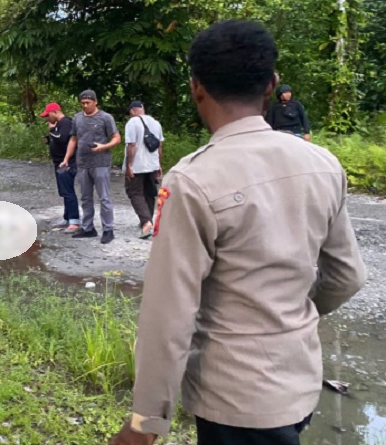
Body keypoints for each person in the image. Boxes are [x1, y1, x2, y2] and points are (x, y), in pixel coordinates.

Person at [109, 20, 368, 445]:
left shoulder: (194, 180)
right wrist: (288, 317)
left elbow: (168, 315)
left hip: (234, 399)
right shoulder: (322, 164)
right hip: (299, 384)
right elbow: (347, 277)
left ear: (197, 87)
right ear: (272, 84)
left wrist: (146, 422)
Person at [60, 90, 121, 244]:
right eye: (83, 103)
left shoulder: (105, 118)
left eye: (88, 103)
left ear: (95, 102)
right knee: (86, 197)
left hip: (101, 162)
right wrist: (66, 158)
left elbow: (116, 137)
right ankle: (88, 228)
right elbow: (73, 139)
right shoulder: (77, 118)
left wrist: (104, 146)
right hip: (82, 162)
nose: (85, 105)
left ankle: (108, 229)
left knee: (104, 197)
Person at [123, 101, 164, 239]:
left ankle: (146, 223)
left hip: (137, 165)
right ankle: (148, 221)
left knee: (134, 192)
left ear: (133, 111)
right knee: (149, 192)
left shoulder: (132, 122)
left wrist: (129, 165)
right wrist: (159, 165)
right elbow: (159, 146)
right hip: (152, 164)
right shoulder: (156, 123)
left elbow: (132, 145)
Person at [41, 102, 80, 234]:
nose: (47, 118)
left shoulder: (66, 123)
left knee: (68, 191)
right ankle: (67, 217)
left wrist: (51, 130)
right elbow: (58, 139)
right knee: (63, 191)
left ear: (55, 112)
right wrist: (49, 139)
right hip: (58, 162)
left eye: (48, 115)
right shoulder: (59, 124)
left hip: (66, 162)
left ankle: (74, 221)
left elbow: (63, 138)